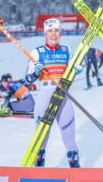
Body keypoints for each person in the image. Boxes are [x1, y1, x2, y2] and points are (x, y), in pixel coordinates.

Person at [25, 18, 83, 168]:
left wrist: (76, 70)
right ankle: (38, 173)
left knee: (70, 139)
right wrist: (35, 73)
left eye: (56, 30)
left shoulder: (66, 51)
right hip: (44, 95)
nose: (53, 34)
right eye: (50, 31)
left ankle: (75, 173)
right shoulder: (37, 52)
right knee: (41, 141)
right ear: (45, 34)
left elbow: (70, 73)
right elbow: (28, 79)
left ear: (60, 33)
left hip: (62, 96)